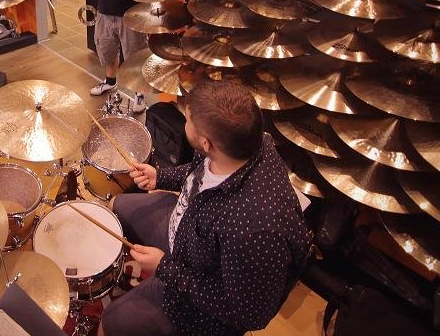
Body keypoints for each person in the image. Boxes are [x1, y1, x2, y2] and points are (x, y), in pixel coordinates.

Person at [99, 80, 312, 335]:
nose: (184, 121)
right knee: (116, 205)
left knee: (109, 322)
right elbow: (200, 172)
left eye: (187, 120)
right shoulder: (245, 143)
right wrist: (160, 177)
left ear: (206, 142)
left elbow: (248, 315)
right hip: (189, 231)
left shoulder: (255, 231)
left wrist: (166, 268)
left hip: (197, 310)